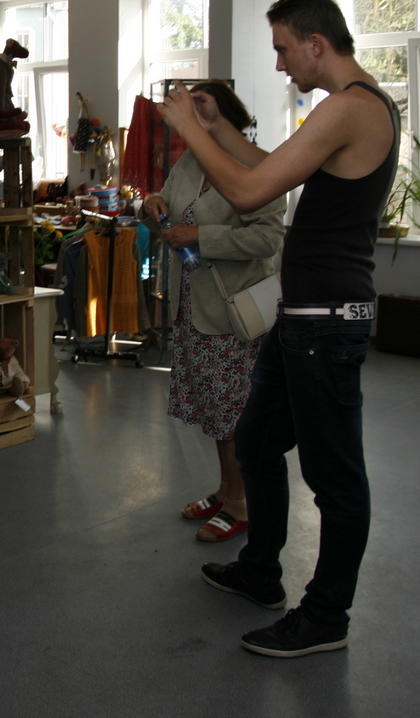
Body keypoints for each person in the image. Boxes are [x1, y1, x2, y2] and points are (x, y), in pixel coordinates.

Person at [158, 0, 400, 659]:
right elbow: (267, 169)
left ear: (316, 44)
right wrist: (217, 128)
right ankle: (261, 570)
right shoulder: (354, 106)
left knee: (334, 476)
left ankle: (326, 617)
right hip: (303, 319)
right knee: (257, 441)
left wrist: (191, 130)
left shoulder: (350, 107)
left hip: (327, 322)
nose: (280, 62)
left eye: (284, 48)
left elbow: (247, 191)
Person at [142, 81, 285, 544]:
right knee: (214, 408)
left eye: (199, 111)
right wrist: (152, 205)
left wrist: (201, 237)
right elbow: (168, 205)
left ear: (223, 116)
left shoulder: (260, 167)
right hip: (192, 304)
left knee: (234, 412)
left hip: (233, 311)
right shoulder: (190, 160)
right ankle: (227, 490)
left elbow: (267, 240)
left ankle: (241, 503)